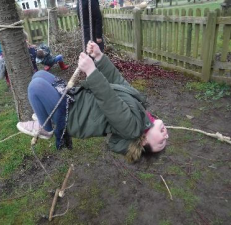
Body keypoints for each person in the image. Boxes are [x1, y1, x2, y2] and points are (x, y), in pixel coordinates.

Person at [16, 42, 169, 163]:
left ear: (143, 143)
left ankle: (46, 128)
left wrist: (91, 71)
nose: (166, 137)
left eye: (160, 144)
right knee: (40, 75)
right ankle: (45, 115)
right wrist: (100, 57)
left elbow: (110, 102)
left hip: (74, 116)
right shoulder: (141, 109)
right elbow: (118, 81)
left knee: (36, 87)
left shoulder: (133, 129)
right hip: (76, 100)